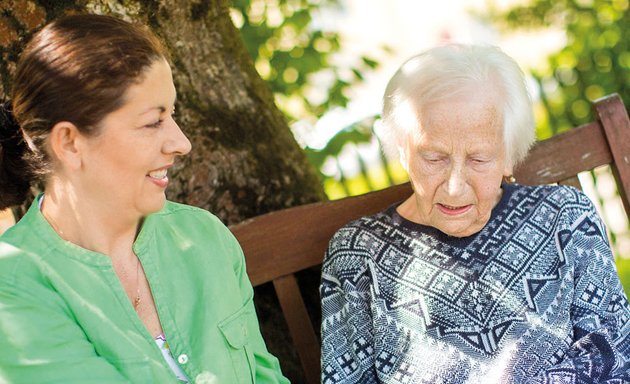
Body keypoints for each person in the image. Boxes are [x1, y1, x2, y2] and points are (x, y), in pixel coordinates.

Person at [0, 14, 289, 383]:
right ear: (70, 143)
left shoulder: (203, 235)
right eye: (153, 122)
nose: (181, 143)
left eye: (172, 114)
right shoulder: (13, 286)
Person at [320, 44, 630, 383]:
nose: (454, 187)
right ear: (401, 151)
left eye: (479, 160)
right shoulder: (358, 255)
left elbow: (615, 361)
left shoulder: (564, 217)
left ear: (509, 154)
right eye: (434, 158)